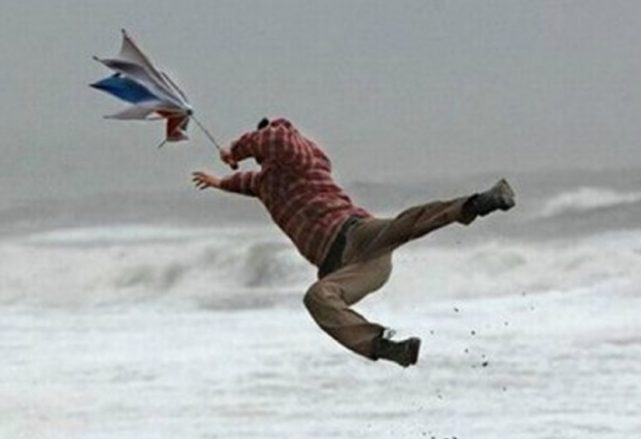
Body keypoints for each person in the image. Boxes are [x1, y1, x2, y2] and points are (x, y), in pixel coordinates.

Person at [192, 118, 515, 368]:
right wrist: (219, 182)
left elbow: (278, 138)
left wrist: (235, 150)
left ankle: (478, 203)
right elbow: (246, 182)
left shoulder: (303, 159)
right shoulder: (265, 182)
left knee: (406, 223)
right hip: (347, 269)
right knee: (317, 298)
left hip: (358, 234)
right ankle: (387, 347)